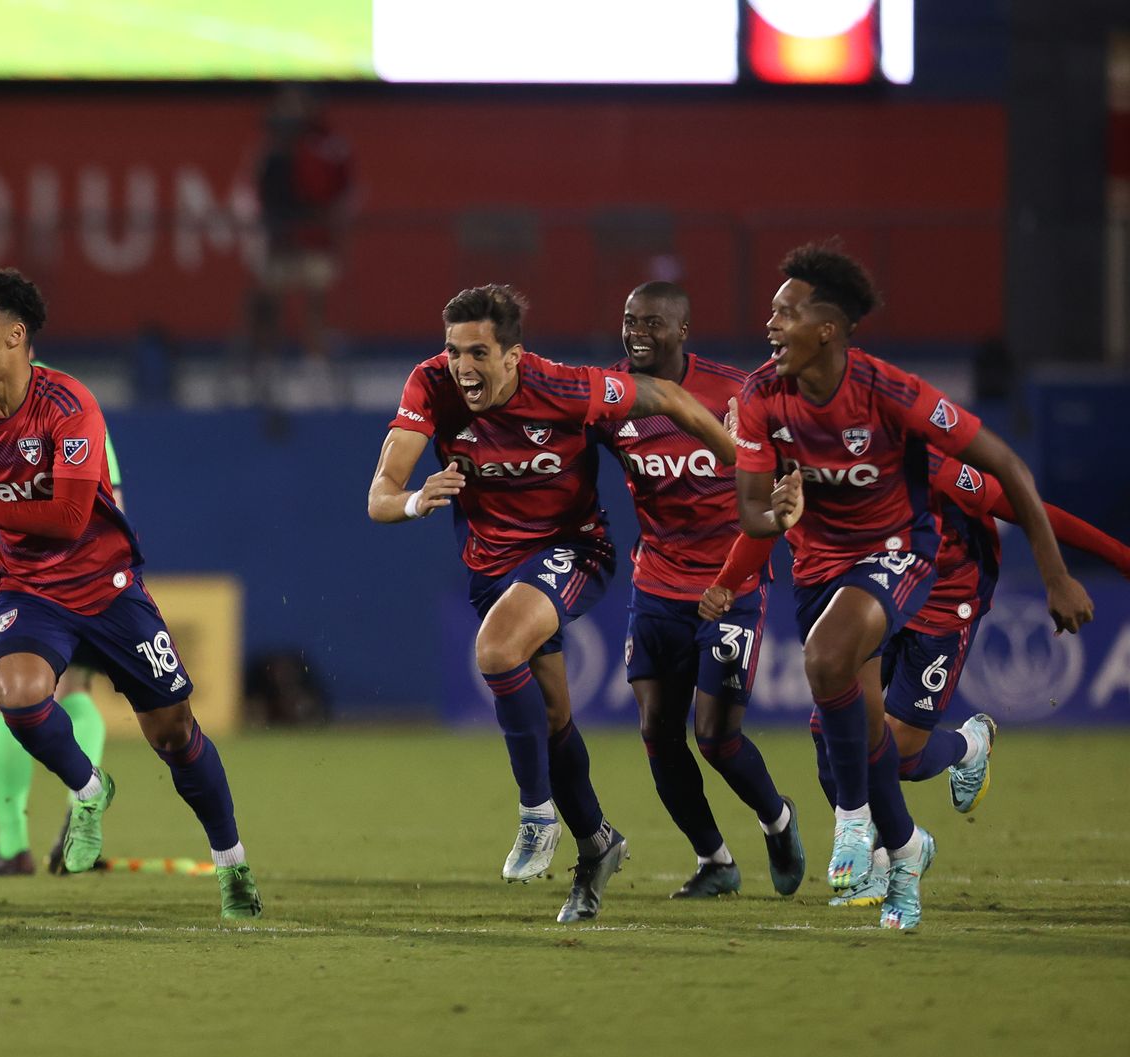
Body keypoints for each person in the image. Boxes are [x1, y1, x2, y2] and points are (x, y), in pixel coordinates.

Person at [730, 242, 1092, 930]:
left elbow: (1008, 470)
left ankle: (852, 827)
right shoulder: (760, 397)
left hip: (904, 556)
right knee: (863, 736)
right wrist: (775, 511)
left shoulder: (890, 393)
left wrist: (1056, 575)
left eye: (786, 311)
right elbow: (751, 511)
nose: (770, 324)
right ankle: (907, 850)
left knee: (827, 667)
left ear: (828, 328)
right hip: (822, 570)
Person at [367, 284, 738, 924]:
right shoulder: (429, 385)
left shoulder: (567, 388)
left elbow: (672, 398)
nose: (462, 366)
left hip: (574, 549)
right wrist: (414, 500)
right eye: (454, 350)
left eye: (478, 352)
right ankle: (597, 842)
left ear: (514, 356)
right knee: (555, 718)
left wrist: (750, 467)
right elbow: (379, 495)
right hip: (492, 569)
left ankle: (537, 813)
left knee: (495, 647)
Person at [0, 268, 261, 918]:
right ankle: (89, 788)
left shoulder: (71, 407)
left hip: (107, 589)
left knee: (175, 735)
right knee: (16, 695)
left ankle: (232, 864)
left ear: (14, 335)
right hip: (28, 589)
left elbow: (70, 519)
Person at [703, 444, 1130, 903]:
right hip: (874, 593)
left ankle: (969, 745)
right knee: (833, 730)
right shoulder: (805, 473)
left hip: (945, 598)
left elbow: (1030, 510)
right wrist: (727, 581)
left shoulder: (926, 466)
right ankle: (878, 860)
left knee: (900, 754)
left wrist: (1113, 562)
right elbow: (768, 526)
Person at [586, 282, 805, 900]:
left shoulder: (738, 393)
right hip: (655, 584)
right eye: (629, 320)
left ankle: (778, 819)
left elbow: (785, 476)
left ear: (683, 331)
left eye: (652, 323)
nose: (636, 333)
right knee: (657, 729)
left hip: (728, 585)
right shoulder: (613, 397)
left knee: (715, 736)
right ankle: (715, 861)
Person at [0, 372, 121, 877]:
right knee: (76, 686)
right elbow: (112, 498)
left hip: (15, 575)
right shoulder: (75, 400)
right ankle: (79, 818)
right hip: (88, 572)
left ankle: (14, 845)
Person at [244, 85, 354, 403]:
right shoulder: (270, 149)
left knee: (314, 303)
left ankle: (315, 369)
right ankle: (266, 370)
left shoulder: (329, 147)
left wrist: (326, 225)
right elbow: (260, 192)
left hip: (315, 242)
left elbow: (342, 193)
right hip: (279, 243)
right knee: (268, 303)